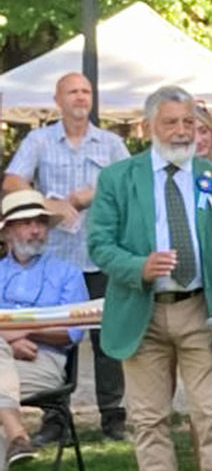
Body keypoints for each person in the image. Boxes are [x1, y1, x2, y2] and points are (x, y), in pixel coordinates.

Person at [88, 86, 212, 471]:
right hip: (140, 312)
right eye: (172, 123)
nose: (182, 132)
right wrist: (136, 267)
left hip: (201, 310)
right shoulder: (118, 179)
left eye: (190, 123)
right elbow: (99, 244)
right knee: (147, 418)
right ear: (148, 128)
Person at [3, 71, 129, 444]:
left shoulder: (109, 143)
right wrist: (49, 203)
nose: (80, 97)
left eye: (86, 91)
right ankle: (56, 419)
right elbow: (12, 181)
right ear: (57, 99)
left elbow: (128, 181)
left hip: (102, 254)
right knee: (55, 331)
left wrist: (91, 193)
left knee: (110, 339)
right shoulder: (40, 140)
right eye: (72, 91)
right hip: (55, 255)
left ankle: (113, 417)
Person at [0, 190, 90, 471]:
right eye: (26, 223)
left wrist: (18, 332)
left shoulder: (67, 273)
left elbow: (71, 332)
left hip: (44, 358)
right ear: (8, 231)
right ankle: (17, 435)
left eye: (40, 222)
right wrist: (9, 342)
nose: (35, 230)